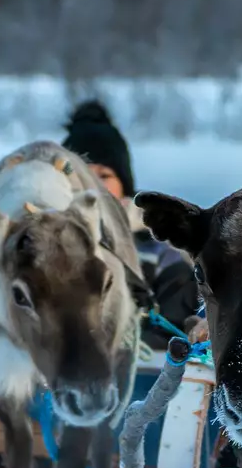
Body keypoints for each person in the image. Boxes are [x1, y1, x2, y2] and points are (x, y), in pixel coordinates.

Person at [61, 100, 200, 347]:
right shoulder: (45, 250)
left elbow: (173, 335)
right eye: (82, 175)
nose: (93, 186)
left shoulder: (163, 255)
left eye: (104, 176)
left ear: (124, 184)